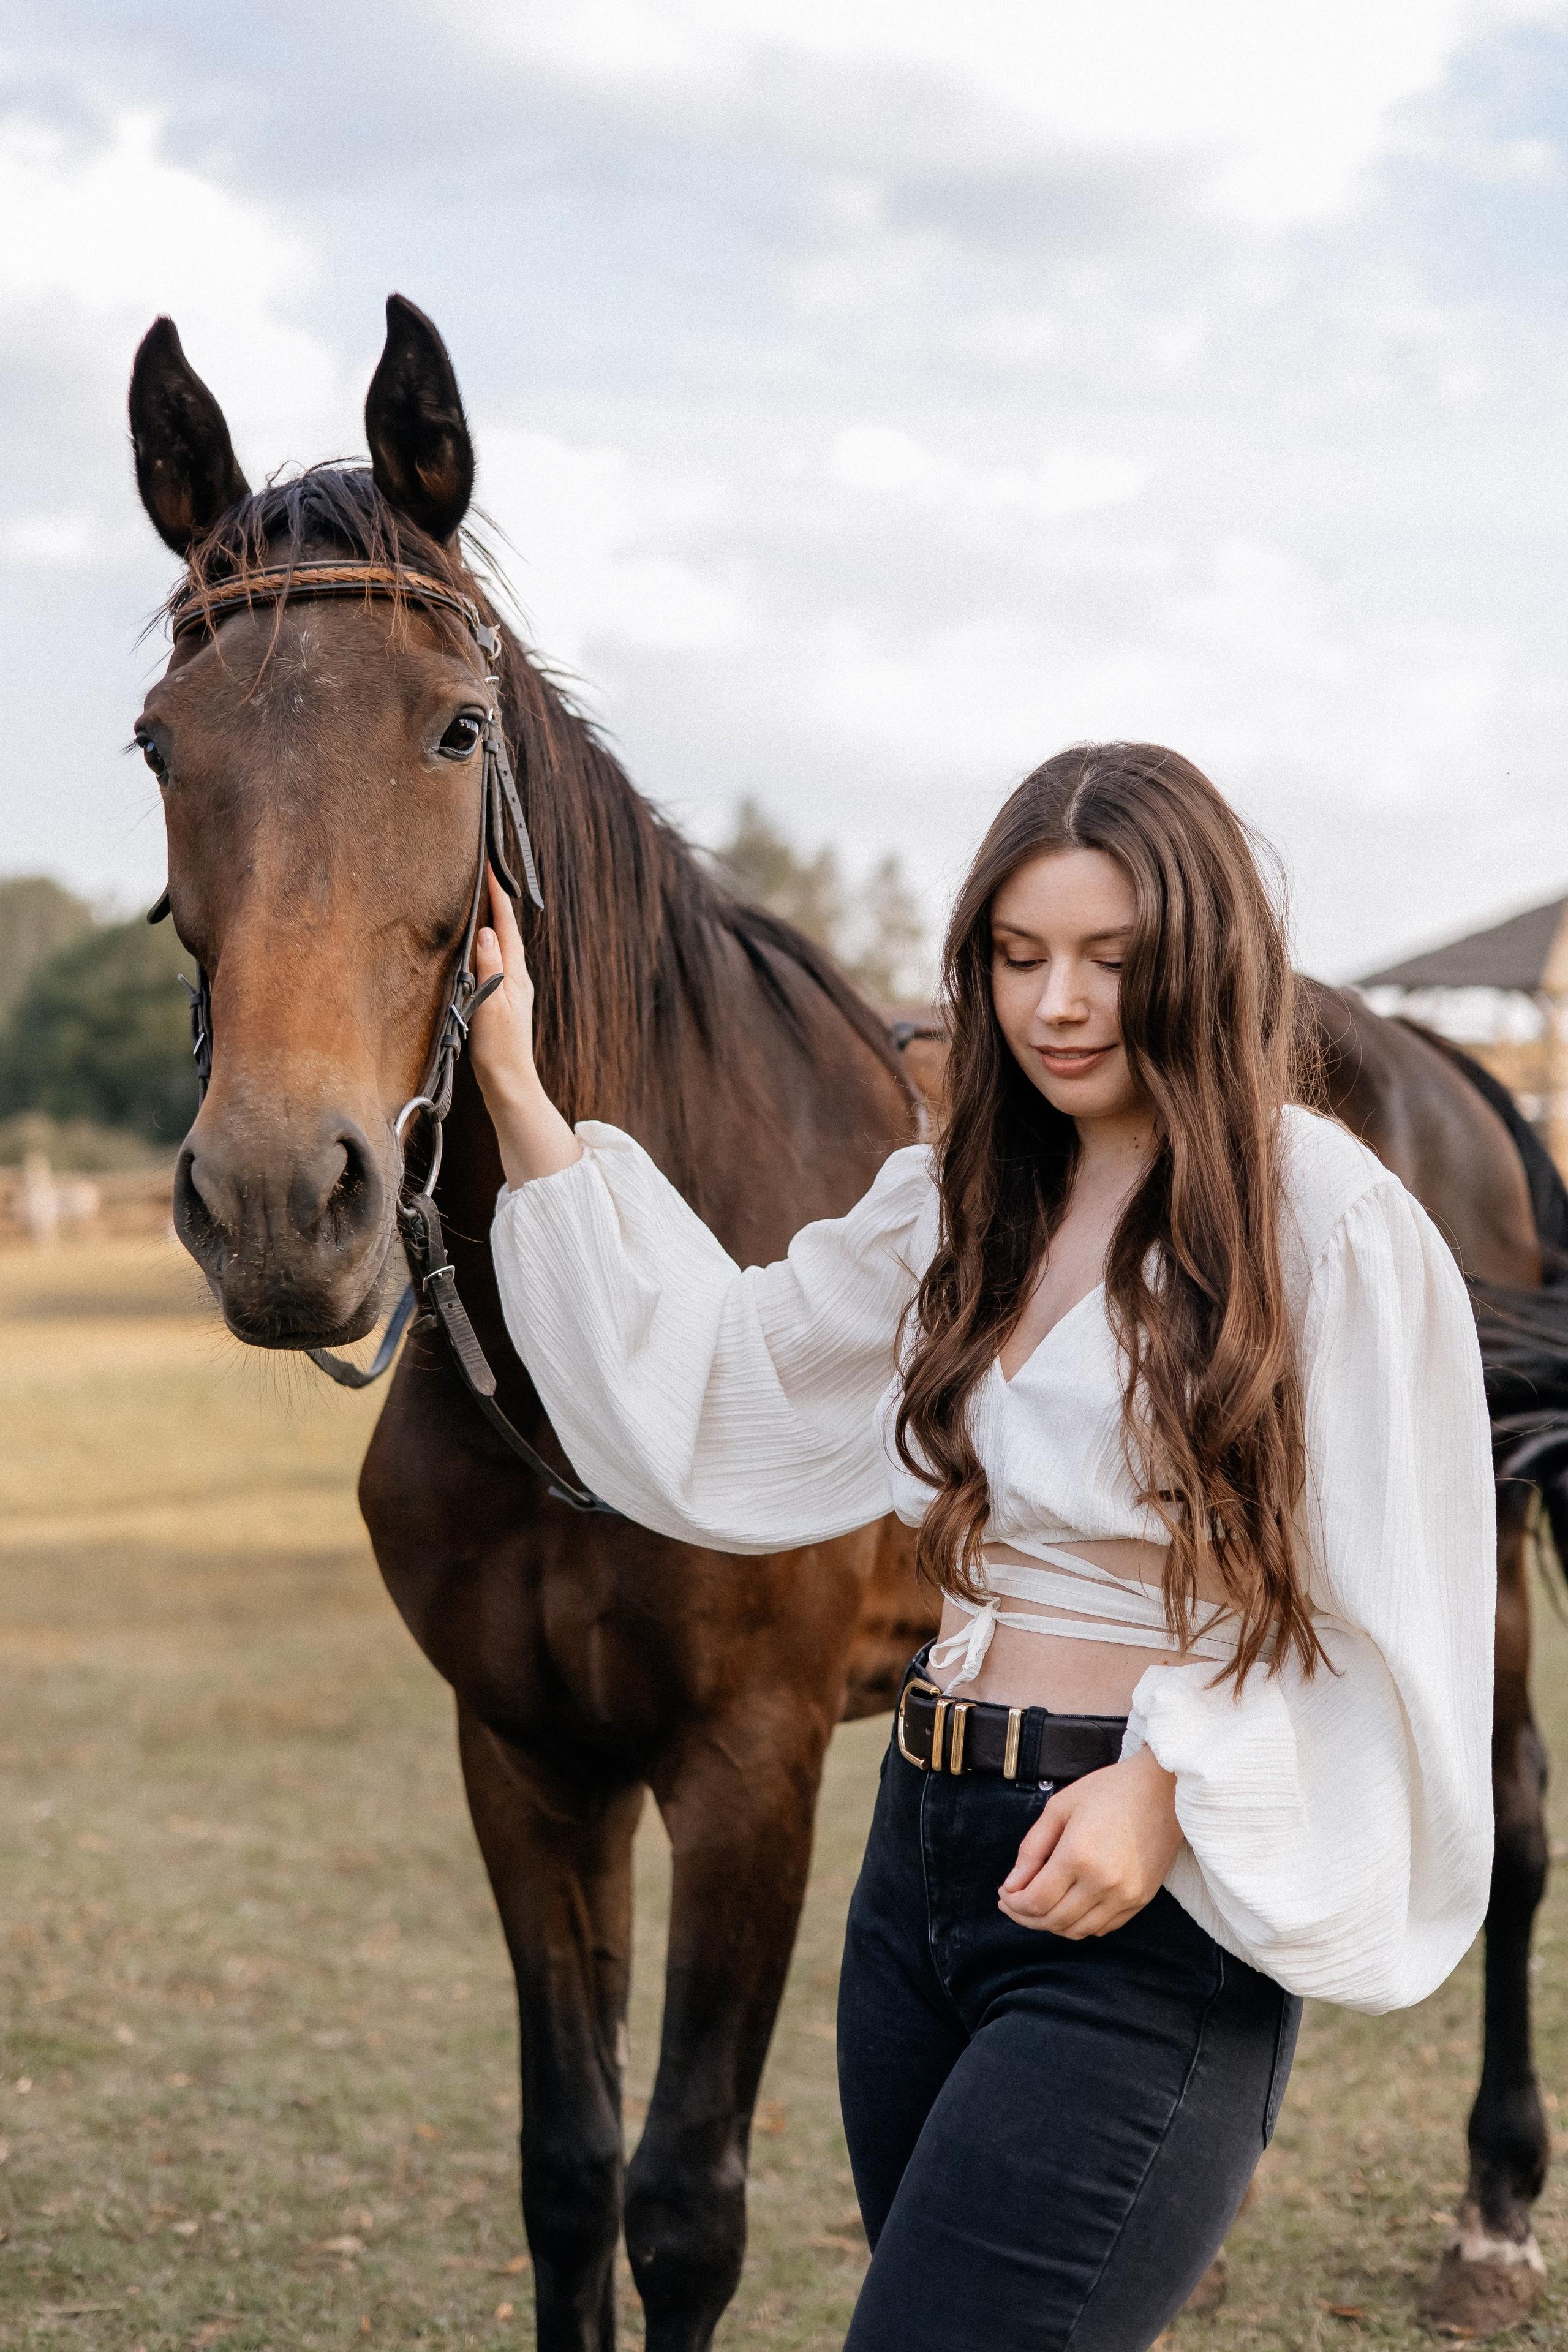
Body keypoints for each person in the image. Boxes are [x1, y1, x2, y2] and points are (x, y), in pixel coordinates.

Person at [467, 742, 1494, 2352]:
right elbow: (732, 1368)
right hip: (924, 1866)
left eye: (1110, 959)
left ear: (1204, 958)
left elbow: (1393, 1597)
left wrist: (1171, 1787)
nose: (1058, 1006)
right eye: (1020, 958)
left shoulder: (1325, 1216)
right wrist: (521, 1094)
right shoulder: (965, 1198)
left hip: (1141, 1898)